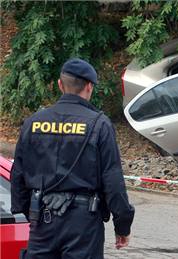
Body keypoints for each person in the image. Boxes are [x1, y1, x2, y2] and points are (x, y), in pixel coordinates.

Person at [10, 58, 135, 258]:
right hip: (83, 223)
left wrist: (31, 214)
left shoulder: (33, 123)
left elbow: (17, 175)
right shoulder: (99, 125)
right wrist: (122, 225)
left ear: (60, 85)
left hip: (43, 219)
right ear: (89, 87)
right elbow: (112, 180)